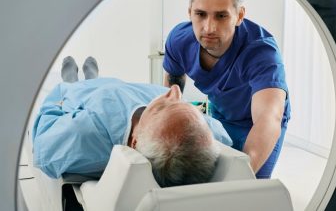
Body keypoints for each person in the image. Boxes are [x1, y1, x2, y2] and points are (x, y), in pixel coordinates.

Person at [163, 0, 291, 179]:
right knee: (206, 175)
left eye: (221, 16)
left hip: (259, 123)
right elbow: (173, 85)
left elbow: (268, 117)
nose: (209, 27)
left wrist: (240, 178)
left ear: (239, 16)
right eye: (200, 14)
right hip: (222, 115)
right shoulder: (179, 40)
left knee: (246, 185)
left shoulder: (262, 52)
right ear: (189, 12)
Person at [32, 56, 228, 187]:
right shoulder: (204, 138)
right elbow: (222, 135)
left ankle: (72, 81)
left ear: (134, 142)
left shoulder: (86, 135)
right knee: (105, 82)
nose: (175, 90)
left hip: (86, 99)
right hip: (126, 88)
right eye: (187, 106)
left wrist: (57, 101)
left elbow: (42, 145)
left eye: (162, 107)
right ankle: (92, 77)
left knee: (73, 89)